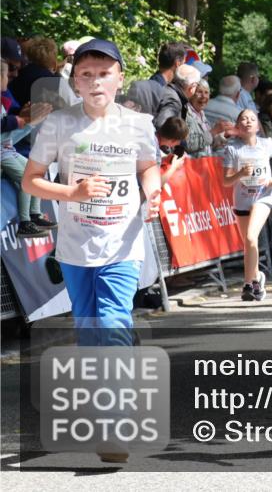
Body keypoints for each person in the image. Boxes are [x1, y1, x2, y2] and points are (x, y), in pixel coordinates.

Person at [22, 41, 161, 419]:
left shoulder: (137, 124)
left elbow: (148, 167)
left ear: (119, 79)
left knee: (113, 319)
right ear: (75, 82)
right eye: (86, 75)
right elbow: (31, 181)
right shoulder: (59, 124)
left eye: (104, 74)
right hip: (76, 245)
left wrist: (152, 194)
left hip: (123, 242)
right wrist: (72, 192)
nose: (96, 82)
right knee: (88, 329)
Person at [222, 109, 272, 302]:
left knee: (251, 236)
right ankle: (257, 276)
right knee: (248, 243)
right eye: (243, 119)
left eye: (252, 119)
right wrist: (240, 174)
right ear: (238, 126)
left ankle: (250, 284)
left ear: (258, 126)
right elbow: (226, 181)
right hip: (242, 199)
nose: (248, 122)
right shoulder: (232, 148)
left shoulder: (266, 144)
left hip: (263, 196)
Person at [1, 60, 55, 238]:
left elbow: (8, 135)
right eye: (5, 76)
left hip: (7, 150)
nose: (8, 80)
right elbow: (5, 131)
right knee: (27, 178)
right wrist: (24, 121)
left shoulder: (3, 102)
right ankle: (24, 223)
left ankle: (35, 215)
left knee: (36, 171)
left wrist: (30, 121)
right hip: (2, 152)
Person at [126, 42, 187, 114]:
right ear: (178, 63)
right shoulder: (151, 89)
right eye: (184, 63)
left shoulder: (149, 87)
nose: (185, 67)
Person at [153, 63, 200, 133]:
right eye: (197, 85)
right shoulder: (174, 100)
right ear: (192, 86)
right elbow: (163, 127)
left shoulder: (168, 91)